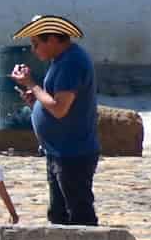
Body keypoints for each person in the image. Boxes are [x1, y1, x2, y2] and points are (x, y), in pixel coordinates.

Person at [9, 14, 100, 226]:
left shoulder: (71, 63)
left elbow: (60, 109)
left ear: (51, 39)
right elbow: (55, 102)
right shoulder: (61, 61)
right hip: (58, 151)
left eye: (36, 43)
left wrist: (32, 84)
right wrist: (36, 102)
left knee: (79, 216)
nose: (34, 49)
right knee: (58, 215)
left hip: (72, 153)